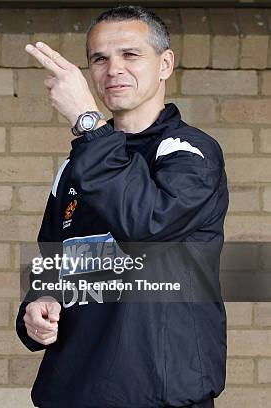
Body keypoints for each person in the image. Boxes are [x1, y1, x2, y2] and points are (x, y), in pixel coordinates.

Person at [16, 6, 228, 408]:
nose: (113, 69)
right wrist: (35, 309)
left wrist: (86, 122)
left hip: (159, 394)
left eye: (130, 54)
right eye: (100, 58)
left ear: (165, 64)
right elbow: (51, 264)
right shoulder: (76, 164)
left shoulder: (190, 152)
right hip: (71, 391)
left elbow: (144, 225)